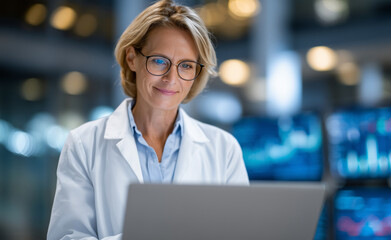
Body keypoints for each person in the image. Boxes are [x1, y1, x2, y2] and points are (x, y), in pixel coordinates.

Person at [47, 0, 249, 239]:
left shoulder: (224, 150)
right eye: (160, 61)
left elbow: (241, 233)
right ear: (132, 58)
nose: (171, 78)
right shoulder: (84, 144)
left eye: (185, 66)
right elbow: (67, 236)